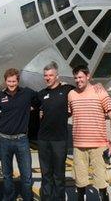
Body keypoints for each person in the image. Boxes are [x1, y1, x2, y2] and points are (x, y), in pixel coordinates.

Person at [68, 65, 111, 201]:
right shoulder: (71, 94)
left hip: (99, 145)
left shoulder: (100, 92)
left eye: (80, 77)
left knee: (102, 182)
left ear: (88, 76)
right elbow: (65, 113)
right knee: (80, 182)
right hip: (79, 146)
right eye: (75, 78)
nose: (78, 80)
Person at [0, 68, 39, 201]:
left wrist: (33, 109)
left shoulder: (27, 93)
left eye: (14, 81)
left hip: (21, 140)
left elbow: (40, 99)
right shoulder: (0, 96)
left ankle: (27, 198)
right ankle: (8, 197)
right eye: (9, 81)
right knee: (7, 175)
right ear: (5, 81)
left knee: (26, 175)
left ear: (18, 81)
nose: (12, 84)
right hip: (4, 140)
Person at [37, 62, 74, 201]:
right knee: (46, 174)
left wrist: (98, 86)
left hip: (59, 140)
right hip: (43, 140)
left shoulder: (67, 90)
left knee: (59, 175)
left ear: (57, 76)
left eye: (51, 75)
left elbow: (84, 89)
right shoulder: (41, 94)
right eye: (45, 75)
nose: (48, 78)